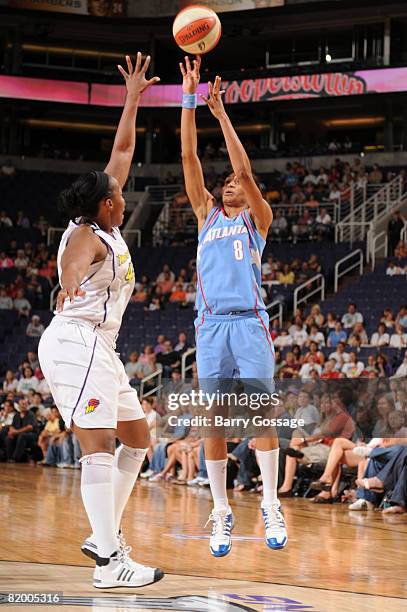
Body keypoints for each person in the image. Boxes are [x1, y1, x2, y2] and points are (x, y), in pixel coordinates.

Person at [37, 53, 164, 589]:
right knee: (97, 446)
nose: (124, 193)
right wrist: (65, 285)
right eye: (119, 195)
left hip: (99, 349)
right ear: (109, 204)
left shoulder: (105, 219)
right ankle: (110, 563)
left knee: (139, 437)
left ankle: (102, 534)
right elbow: (70, 266)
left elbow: (123, 149)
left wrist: (133, 96)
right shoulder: (88, 233)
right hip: (74, 340)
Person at [179, 55, 286, 556]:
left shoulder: (256, 219)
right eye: (225, 182)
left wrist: (221, 114)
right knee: (213, 421)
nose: (231, 182)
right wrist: (189, 99)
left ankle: (269, 503)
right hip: (210, 326)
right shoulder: (205, 215)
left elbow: (243, 167)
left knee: (262, 413)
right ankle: (221, 510)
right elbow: (189, 160)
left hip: (249, 325)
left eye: (237, 182)